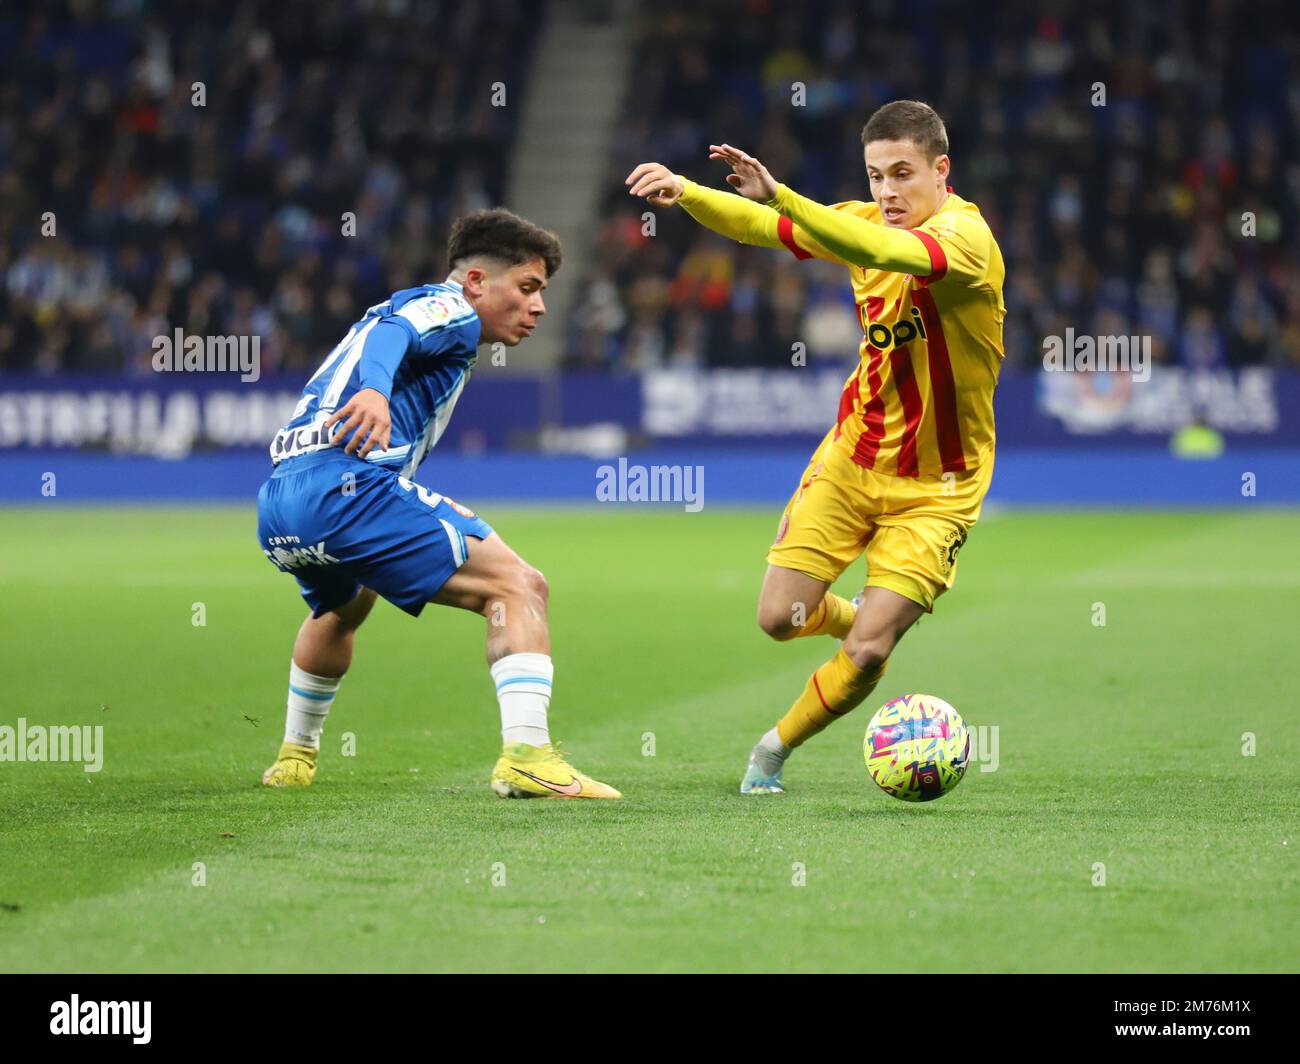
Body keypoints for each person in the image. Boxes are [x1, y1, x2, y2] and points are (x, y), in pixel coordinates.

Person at [627, 100, 1005, 794]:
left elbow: (882, 252)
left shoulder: (965, 241)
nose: (887, 193)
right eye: (874, 176)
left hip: (938, 485)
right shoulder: (862, 220)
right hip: (853, 457)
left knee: (864, 653)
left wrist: (788, 197)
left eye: (902, 174)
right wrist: (688, 193)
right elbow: (759, 226)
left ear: (940, 169)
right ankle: (869, 622)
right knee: (779, 618)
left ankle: (773, 750)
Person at [257, 208, 621, 799]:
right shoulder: (447, 305)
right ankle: (529, 756)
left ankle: (295, 756)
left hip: (281, 500)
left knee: (342, 607)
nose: (539, 307)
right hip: (346, 487)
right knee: (519, 586)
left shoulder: (424, 322)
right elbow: (392, 332)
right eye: (527, 288)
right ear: (476, 281)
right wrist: (375, 391)